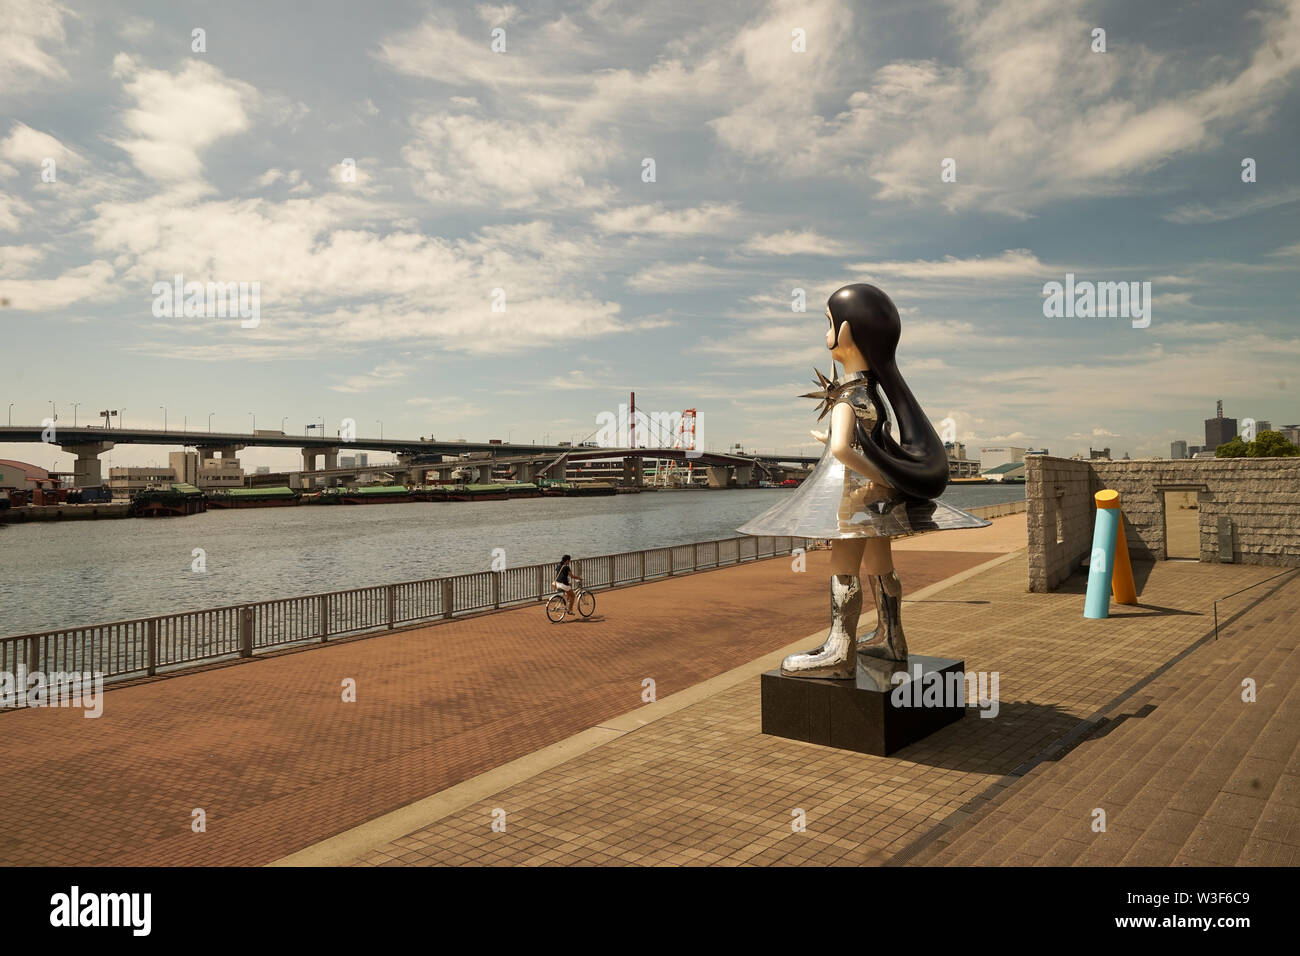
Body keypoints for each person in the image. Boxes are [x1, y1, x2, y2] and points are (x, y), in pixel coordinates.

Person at [737, 283, 989, 679]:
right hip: (875, 502)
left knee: (844, 566)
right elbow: (867, 440)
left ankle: (839, 649)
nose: (825, 335)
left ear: (847, 333)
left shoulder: (845, 399)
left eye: (828, 324)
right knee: (881, 564)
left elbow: (843, 450)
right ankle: (892, 637)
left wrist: (875, 482)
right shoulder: (873, 395)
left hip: (853, 501)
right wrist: (881, 481)